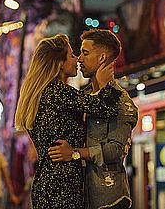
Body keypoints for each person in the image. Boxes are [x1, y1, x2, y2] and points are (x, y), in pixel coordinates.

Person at [14, 34, 120, 209]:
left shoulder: (43, 93)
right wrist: (106, 84)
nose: (77, 59)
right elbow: (105, 107)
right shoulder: (58, 91)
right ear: (59, 63)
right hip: (63, 185)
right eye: (72, 55)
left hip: (47, 183)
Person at [48, 29, 138, 209]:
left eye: (85, 53)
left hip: (109, 199)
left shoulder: (121, 102)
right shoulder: (83, 97)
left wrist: (74, 153)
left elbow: (116, 150)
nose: (79, 58)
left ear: (102, 58)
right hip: (81, 197)